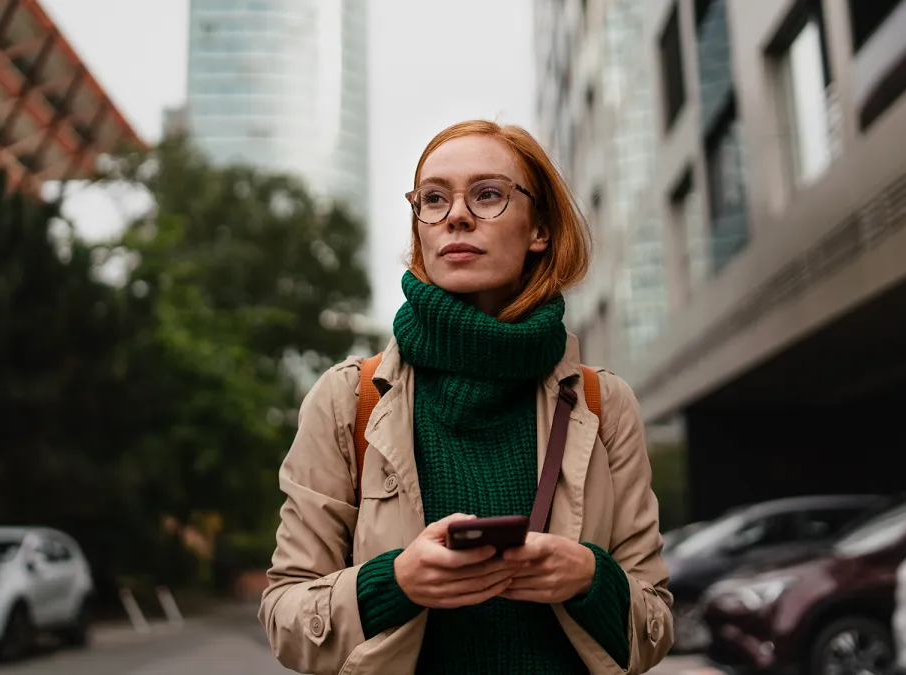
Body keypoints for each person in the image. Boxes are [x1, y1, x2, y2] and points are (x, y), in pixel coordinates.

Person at [259, 120, 673, 674]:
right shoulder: (348, 399)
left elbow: (655, 630)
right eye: (433, 198)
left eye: (488, 194)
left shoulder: (603, 403)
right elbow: (286, 619)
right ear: (421, 229)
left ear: (539, 230)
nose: (456, 215)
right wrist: (397, 581)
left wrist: (588, 578)